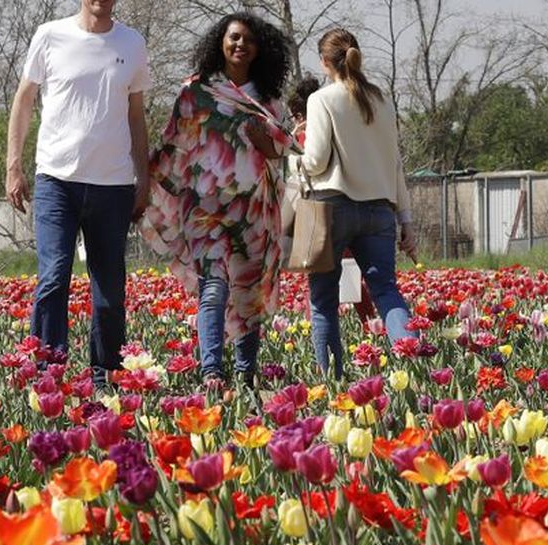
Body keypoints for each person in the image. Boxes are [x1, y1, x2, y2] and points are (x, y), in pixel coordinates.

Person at [142, 13, 295, 390]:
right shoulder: (196, 93)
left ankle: (245, 373)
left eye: (249, 40)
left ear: (261, 50)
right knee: (214, 286)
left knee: (249, 293)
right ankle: (211, 371)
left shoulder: (269, 101)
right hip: (204, 208)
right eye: (234, 38)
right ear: (220, 43)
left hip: (252, 211)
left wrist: (262, 137)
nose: (241, 45)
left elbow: (279, 149)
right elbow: (172, 144)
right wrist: (145, 189)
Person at [5, 0, 150, 387]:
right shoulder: (50, 36)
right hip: (57, 179)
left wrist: (144, 178)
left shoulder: (132, 43)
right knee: (53, 276)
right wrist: (14, 164)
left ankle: (105, 375)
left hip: (113, 185)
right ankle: (49, 371)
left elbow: (136, 116)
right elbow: (23, 100)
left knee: (110, 288)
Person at [300, 28, 416, 378]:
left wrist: (295, 157)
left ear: (324, 62)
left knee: (323, 302)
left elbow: (317, 161)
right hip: (380, 208)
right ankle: (411, 366)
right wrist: (406, 219)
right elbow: (395, 162)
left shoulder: (321, 99)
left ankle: (332, 382)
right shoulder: (382, 100)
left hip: (328, 207)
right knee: (386, 292)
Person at [284, 77, 378, 325]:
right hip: (353, 207)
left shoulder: (306, 138)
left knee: (321, 285)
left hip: (318, 214)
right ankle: (369, 323)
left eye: (294, 116)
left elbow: (305, 171)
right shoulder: (339, 130)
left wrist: (291, 148)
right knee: (349, 278)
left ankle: (319, 330)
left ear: (299, 114)